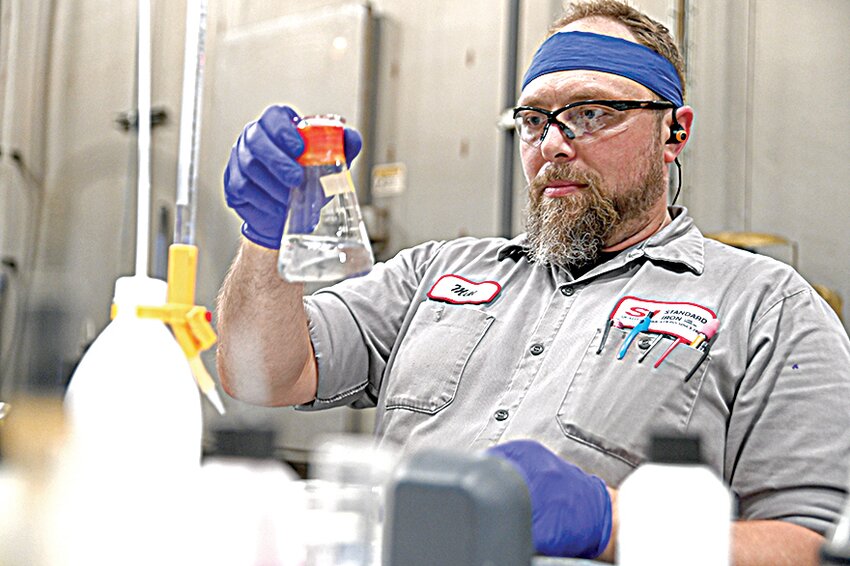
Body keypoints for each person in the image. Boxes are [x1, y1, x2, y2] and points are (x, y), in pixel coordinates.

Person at [216, 0, 850, 563]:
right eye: (534, 119)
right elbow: (259, 376)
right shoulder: (438, 272)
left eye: (593, 114)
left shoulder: (769, 309)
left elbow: (813, 546)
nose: (553, 144)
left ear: (674, 132)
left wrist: (614, 522)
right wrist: (265, 238)